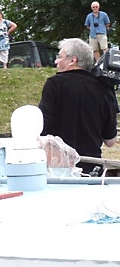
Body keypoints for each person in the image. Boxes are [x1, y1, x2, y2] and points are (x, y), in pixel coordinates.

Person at [38, 38, 118, 172]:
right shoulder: (106, 89)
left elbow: (42, 128)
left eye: (59, 57)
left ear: (72, 60)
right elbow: (110, 141)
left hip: (59, 169)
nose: (56, 61)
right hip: (92, 168)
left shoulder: (54, 84)